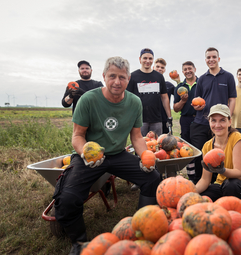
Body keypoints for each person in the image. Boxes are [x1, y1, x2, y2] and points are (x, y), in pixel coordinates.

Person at [53, 57, 161, 255]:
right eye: (112, 76)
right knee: (67, 199)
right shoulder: (89, 100)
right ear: (104, 77)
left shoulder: (134, 102)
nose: (117, 82)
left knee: (153, 178)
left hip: (117, 154)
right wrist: (85, 153)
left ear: (129, 79)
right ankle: (79, 242)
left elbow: (136, 137)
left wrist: (145, 154)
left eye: (122, 77)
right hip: (89, 156)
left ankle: (140, 225)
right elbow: (77, 136)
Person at [196, 104, 241, 209]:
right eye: (213, 120)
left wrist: (222, 170)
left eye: (222, 120)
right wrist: (189, 192)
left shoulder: (237, 139)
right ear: (209, 122)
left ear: (230, 122)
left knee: (231, 184)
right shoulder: (207, 146)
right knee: (200, 199)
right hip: (221, 187)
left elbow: (238, 173)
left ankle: (238, 216)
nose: (217, 125)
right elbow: (205, 180)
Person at [190, 47, 237, 183]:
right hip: (201, 122)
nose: (211, 60)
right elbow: (196, 100)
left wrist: (228, 117)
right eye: (208, 57)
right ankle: (201, 182)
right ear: (205, 60)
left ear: (218, 59)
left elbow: (232, 98)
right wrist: (197, 106)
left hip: (219, 124)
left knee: (219, 155)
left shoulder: (228, 77)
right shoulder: (202, 79)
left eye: (214, 57)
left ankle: (218, 183)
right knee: (200, 154)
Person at [126, 48, 172, 136]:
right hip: (139, 120)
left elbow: (164, 97)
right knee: (140, 146)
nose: (147, 61)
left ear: (153, 60)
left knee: (156, 146)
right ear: (140, 59)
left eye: (150, 58)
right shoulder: (132, 76)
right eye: (145, 58)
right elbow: (127, 98)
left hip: (157, 120)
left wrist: (169, 117)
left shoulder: (159, 77)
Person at [173, 61, 198, 182]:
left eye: (190, 68)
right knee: (188, 148)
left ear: (195, 69)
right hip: (186, 119)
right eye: (185, 69)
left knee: (200, 147)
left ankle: (202, 175)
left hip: (200, 119)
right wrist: (183, 101)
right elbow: (176, 109)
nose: (188, 71)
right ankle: (192, 176)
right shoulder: (179, 87)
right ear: (183, 72)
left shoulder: (201, 83)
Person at [153, 58, 180, 134]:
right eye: (157, 66)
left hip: (165, 119)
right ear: (153, 67)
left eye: (162, 67)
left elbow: (180, 94)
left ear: (164, 70)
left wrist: (178, 81)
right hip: (151, 119)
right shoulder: (147, 84)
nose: (160, 69)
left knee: (167, 142)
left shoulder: (168, 85)